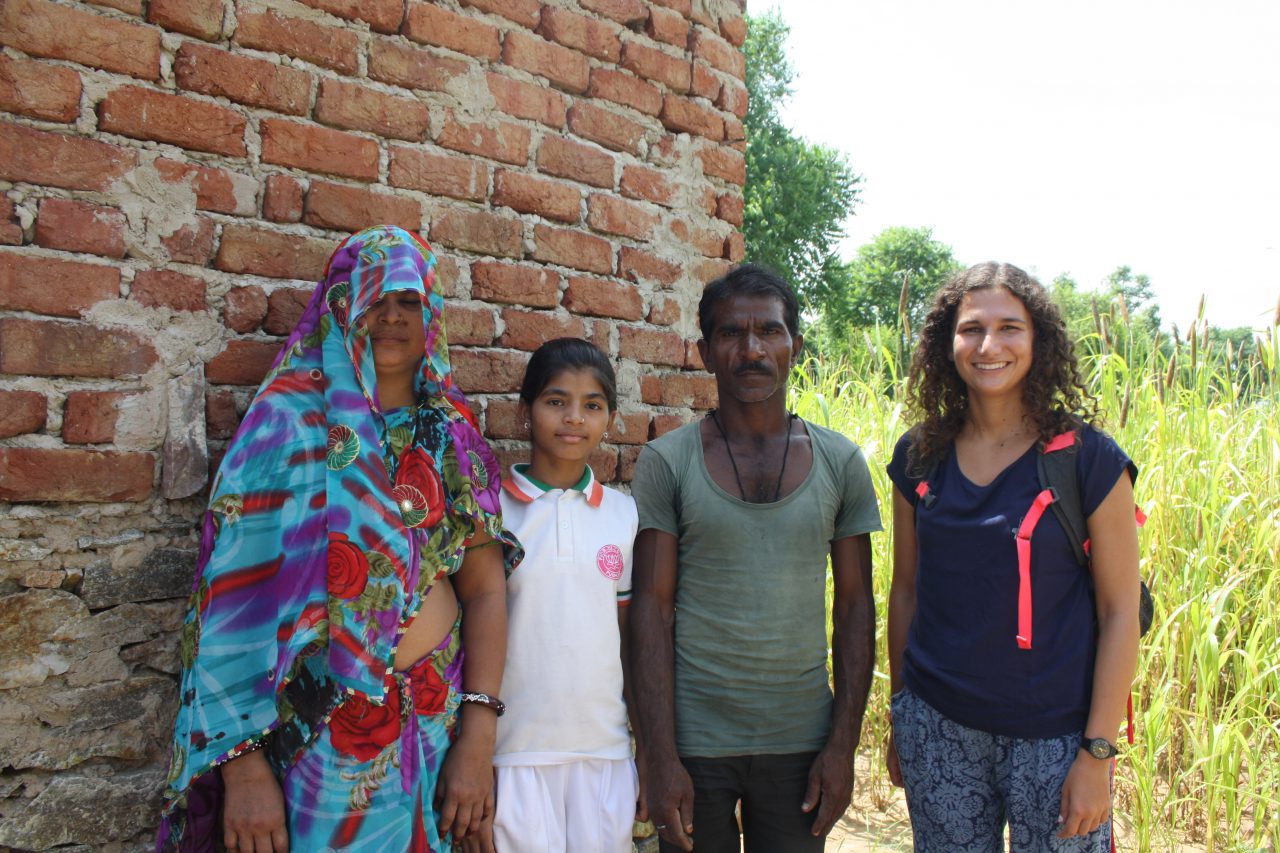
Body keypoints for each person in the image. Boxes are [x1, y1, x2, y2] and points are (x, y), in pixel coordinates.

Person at [157, 225, 521, 853]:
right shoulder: (286, 427)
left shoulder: (451, 436)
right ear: (338, 303)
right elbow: (226, 611)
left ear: (431, 312)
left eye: (409, 300)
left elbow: (486, 590)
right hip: (315, 743)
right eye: (373, 297)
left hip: (437, 729)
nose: (391, 317)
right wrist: (244, 770)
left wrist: (479, 735)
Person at [884, 262, 1141, 851]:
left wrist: (1097, 754)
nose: (989, 345)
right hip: (939, 725)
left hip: (1055, 740)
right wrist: (904, 715)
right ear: (947, 343)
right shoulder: (920, 456)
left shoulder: (1087, 460)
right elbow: (906, 590)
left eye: (1010, 328)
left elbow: (1121, 610)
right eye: (971, 328)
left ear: (1038, 339)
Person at [630, 263, 882, 853]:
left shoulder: (840, 462)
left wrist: (842, 746)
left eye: (769, 332)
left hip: (801, 740)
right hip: (695, 743)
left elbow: (855, 609)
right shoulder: (669, 461)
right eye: (731, 334)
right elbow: (651, 609)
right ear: (705, 351)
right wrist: (659, 754)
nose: (751, 350)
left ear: (794, 344)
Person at [489, 337, 642, 852]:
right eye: (556, 401)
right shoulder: (493, 512)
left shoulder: (624, 515)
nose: (574, 417)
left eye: (592, 405)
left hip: (604, 751)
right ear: (525, 411)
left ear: (611, 419)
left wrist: (642, 747)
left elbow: (627, 637)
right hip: (512, 753)